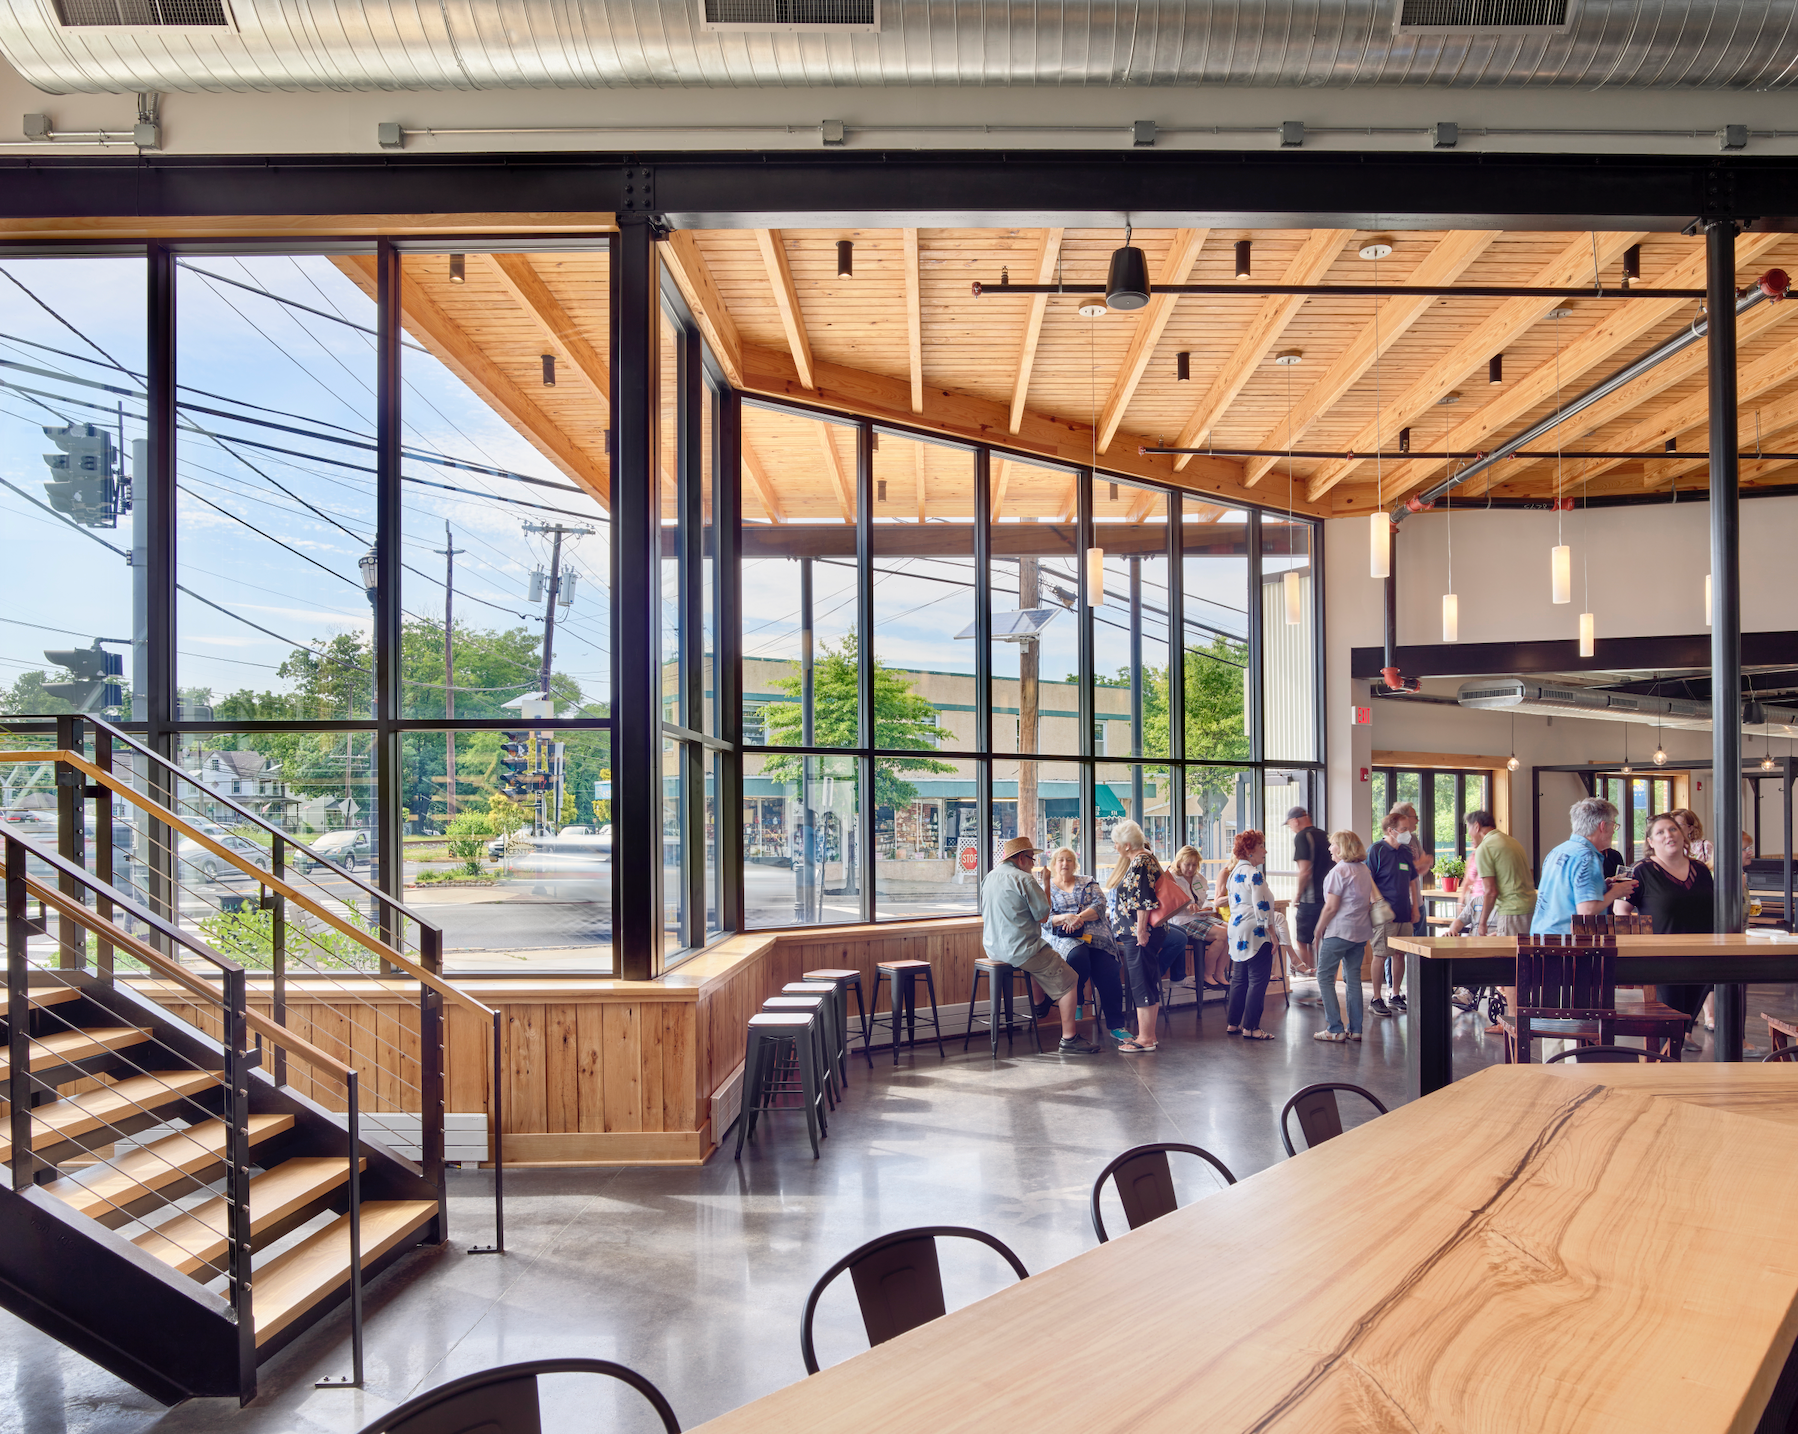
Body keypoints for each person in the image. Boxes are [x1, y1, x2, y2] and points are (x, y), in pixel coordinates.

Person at [978, 835, 1100, 1054]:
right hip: (1020, 949)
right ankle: (1069, 1038)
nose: (1033, 864)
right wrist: (1046, 884)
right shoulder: (1025, 879)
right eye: (1031, 859)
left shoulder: (989, 877)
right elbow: (1043, 916)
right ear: (1021, 859)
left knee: (1042, 956)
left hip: (993, 948)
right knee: (1071, 979)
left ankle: (1039, 1004)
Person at [1612, 811, 1713, 1027]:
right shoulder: (1637, 870)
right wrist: (1638, 949)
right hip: (1663, 961)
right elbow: (1620, 911)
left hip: (1701, 958)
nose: (1668, 835)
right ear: (1650, 841)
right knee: (1668, 1023)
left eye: (1673, 829)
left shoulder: (1701, 869)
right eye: (1660, 832)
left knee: (1686, 1021)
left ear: (1683, 835)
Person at [1039, 846, 1132, 1046]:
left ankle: (1117, 1025)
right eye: (1060, 860)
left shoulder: (1087, 881)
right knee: (1077, 956)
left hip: (1096, 934)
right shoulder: (1047, 888)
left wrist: (1078, 918)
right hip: (1064, 937)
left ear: (1075, 864)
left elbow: (1100, 905)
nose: (1065, 863)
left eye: (1069, 860)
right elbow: (1044, 918)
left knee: (1109, 968)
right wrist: (1065, 918)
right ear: (1054, 864)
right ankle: (1078, 997)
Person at [1533, 797, 1637, 935]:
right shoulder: (1587, 857)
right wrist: (1616, 892)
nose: (1613, 831)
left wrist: (1603, 887)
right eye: (1613, 825)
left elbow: (1565, 894)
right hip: (1567, 941)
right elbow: (1587, 912)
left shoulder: (1558, 851)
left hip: (1543, 935)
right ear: (1602, 826)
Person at [1103, 821, 1165, 1053]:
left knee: (1141, 983)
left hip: (1139, 933)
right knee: (1146, 981)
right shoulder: (1145, 859)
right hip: (1141, 932)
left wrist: (1141, 931)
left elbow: (1143, 900)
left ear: (1127, 845)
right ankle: (1149, 1035)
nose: (1115, 847)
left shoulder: (1140, 862)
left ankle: (1145, 1038)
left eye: (1116, 843)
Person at [1312, 830, 1376, 1042]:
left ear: (1342, 848)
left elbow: (1331, 907)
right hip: (1360, 932)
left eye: (1333, 844)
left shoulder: (1338, 872)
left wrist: (1319, 928)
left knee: (1324, 976)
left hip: (1339, 932)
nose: (1330, 848)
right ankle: (1355, 1029)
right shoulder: (1364, 870)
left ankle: (1335, 1029)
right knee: (1353, 978)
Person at [1223, 829, 1277, 1040]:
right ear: (1249, 850)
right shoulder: (1254, 874)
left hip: (1236, 928)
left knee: (1239, 978)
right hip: (1255, 931)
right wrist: (1272, 933)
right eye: (1261, 846)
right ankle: (1251, 1027)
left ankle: (1233, 1023)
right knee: (1258, 980)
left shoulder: (1233, 873)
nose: (1265, 851)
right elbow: (1261, 906)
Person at [1366, 811, 1421, 1017]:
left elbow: (1412, 880)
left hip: (1404, 910)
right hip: (1384, 913)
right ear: (1391, 830)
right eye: (1403, 829)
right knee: (1380, 954)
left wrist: (1415, 907)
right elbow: (1367, 878)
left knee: (1400, 954)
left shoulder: (1406, 851)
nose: (1408, 832)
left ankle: (1395, 994)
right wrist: (1378, 903)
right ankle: (1376, 998)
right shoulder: (1376, 850)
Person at [1160, 844, 1223, 996]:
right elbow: (1166, 905)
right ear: (1179, 862)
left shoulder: (1199, 878)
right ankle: (1208, 975)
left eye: (1194, 865)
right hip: (1181, 920)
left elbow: (1203, 901)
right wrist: (1185, 907)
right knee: (1222, 934)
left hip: (1199, 917)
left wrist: (1207, 907)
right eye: (1187, 864)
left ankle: (1219, 974)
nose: (1190, 868)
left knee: (1231, 931)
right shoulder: (1170, 878)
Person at [1467, 810, 1536, 936]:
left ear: (1477, 826)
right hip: (1531, 909)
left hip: (1512, 911)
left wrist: (1482, 923)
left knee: (1508, 949)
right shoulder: (1512, 841)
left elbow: (1491, 891)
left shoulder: (1485, 847)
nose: (1469, 835)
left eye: (1469, 829)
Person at [1286, 805, 1333, 977]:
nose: (1291, 829)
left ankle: (1310, 974)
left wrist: (1297, 896)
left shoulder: (1302, 837)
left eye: (1289, 825)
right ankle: (1324, 976)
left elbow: (1305, 871)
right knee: (1325, 939)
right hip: (1330, 897)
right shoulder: (1325, 835)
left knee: (1302, 940)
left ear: (1295, 821)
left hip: (1311, 899)